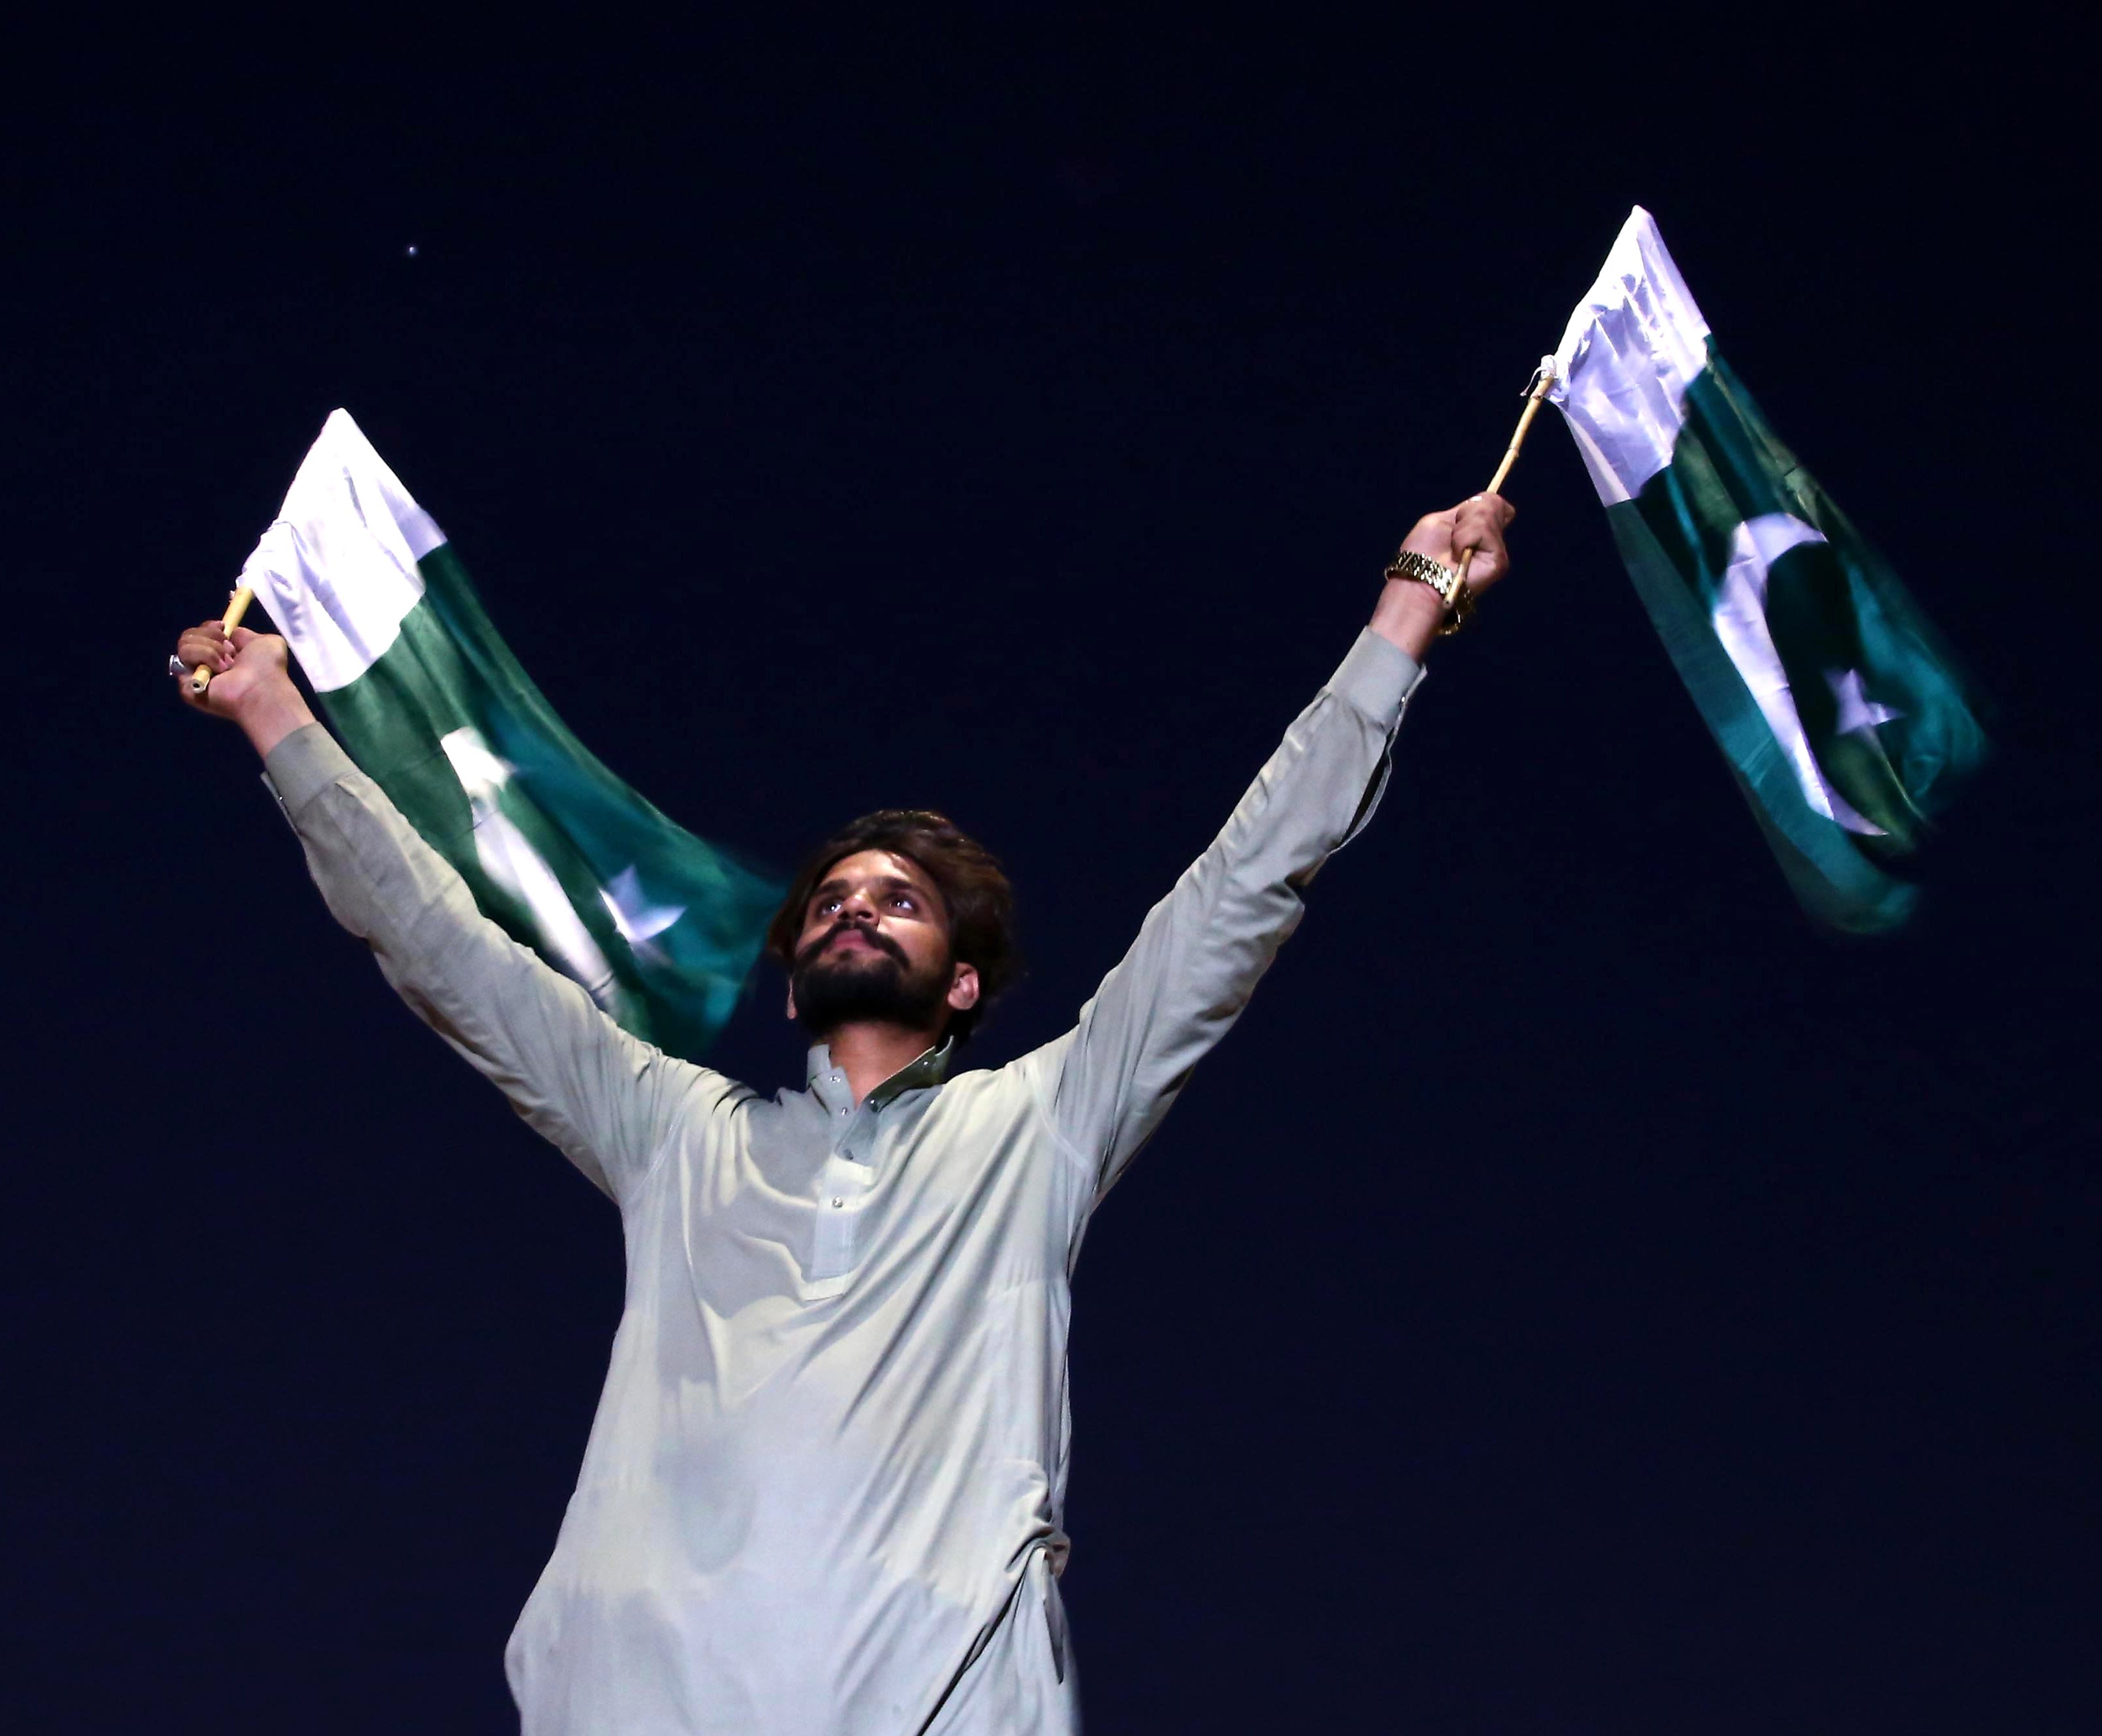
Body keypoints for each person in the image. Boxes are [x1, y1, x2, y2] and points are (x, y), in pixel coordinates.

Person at [173, 491, 1515, 1734]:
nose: (857, 907)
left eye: (899, 900)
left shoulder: (1038, 1123)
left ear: (964, 979)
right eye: (831, 901)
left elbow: (1240, 892)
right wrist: (275, 717)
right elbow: (437, 947)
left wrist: (1405, 610)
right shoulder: (673, 1134)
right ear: (796, 978)